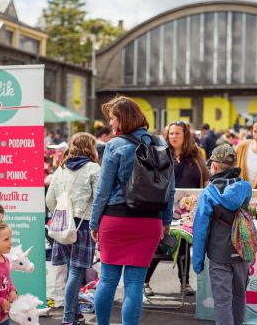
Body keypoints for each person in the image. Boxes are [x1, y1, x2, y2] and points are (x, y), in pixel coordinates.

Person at [89, 96, 174, 325]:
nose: (111, 124)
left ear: (123, 119)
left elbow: (103, 191)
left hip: (116, 220)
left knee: (107, 280)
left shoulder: (114, 145)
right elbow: (170, 190)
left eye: (113, 118)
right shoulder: (161, 145)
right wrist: (166, 220)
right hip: (149, 222)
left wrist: (94, 223)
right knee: (135, 283)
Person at [144, 120, 209, 297]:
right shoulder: (161, 154)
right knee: (161, 245)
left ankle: (185, 283)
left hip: (189, 213)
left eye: (177, 133)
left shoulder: (195, 156)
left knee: (183, 246)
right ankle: (145, 281)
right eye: (171, 133)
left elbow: (205, 179)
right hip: (164, 210)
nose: (173, 136)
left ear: (185, 135)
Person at [192, 144, 252, 325]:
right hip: (241, 251)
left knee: (222, 301)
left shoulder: (209, 192)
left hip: (219, 254)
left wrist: (198, 262)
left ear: (215, 167)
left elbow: (200, 229)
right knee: (239, 297)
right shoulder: (245, 187)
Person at [46, 132, 101, 325]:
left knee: (71, 270)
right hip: (83, 226)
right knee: (77, 272)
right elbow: (98, 199)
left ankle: (75, 314)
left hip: (62, 226)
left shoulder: (60, 169)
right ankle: (68, 318)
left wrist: (62, 215)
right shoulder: (94, 168)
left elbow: (49, 200)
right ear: (90, 147)